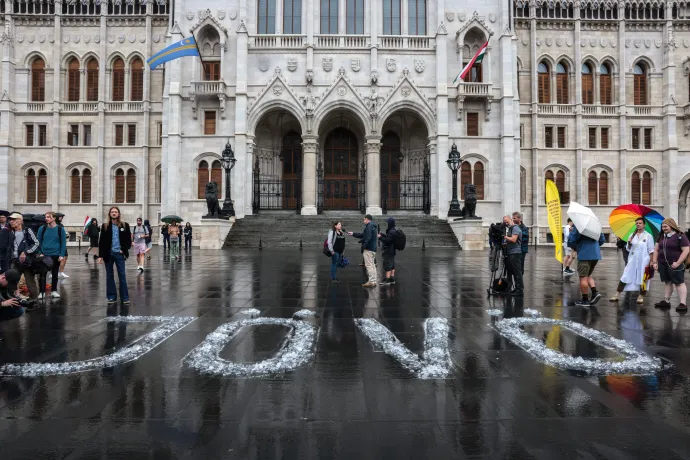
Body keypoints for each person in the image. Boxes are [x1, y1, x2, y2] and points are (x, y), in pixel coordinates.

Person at [609, 218, 655, 304]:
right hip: (632, 260)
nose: (638, 224)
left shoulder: (648, 236)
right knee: (625, 275)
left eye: (640, 223)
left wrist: (651, 261)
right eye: (637, 223)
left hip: (644, 260)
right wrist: (629, 243)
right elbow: (628, 248)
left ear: (644, 225)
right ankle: (617, 294)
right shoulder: (631, 235)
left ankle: (641, 295)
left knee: (644, 278)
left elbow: (651, 250)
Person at [651, 218, 689, 312]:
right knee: (667, 282)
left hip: (675, 264)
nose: (664, 228)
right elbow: (656, 250)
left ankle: (683, 303)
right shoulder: (661, 236)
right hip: (663, 263)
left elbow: (686, 250)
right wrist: (655, 262)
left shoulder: (680, 236)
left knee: (679, 283)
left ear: (672, 226)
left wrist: (678, 263)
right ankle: (666, 301)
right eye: (662, 227)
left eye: (666, 226)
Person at [98, 207, 132, 305]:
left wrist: (124, 250)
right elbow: (102, 242)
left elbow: (128, 241)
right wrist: (100, 256)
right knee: (109, 276)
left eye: (115, 212)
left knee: (122, 275)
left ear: (119, 214)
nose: (114, 213)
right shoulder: (105, 226)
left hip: (119, 254)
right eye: (112, 212)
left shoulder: (125, 225)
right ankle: (111, 297)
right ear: (109, 214)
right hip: (109, 254)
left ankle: (125, 297)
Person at [4, 213, 40, 304]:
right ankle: (12, 299)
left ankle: (34, 301)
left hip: (27, 262)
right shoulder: (9, 232)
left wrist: (26, 252)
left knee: (30, 282)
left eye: (14, 219)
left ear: (20, 221)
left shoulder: (28, 230)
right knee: (11, 279)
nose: (11, 221)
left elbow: (36, 243)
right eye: (10, 219)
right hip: (15, 261)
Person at [568, 225, 606, 306]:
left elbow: (572, 240)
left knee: (583, 277)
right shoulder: (596, 225)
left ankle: (585, 300)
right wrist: (593, 245)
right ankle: (594, 293)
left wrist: (571, 232)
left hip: (584, 254)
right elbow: (602, 239)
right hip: (595, 254)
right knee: (588, 275)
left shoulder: (579, 225)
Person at [37, 212, 67, 300]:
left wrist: (61, 255)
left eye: (49, 217)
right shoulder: (42, 228)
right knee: (42, 274)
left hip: (55, 254)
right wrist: (39, 252)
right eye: (45, 217)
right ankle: (41, 292)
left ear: (54, 218)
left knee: (55, 274)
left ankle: (54, 291)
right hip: (44, 254)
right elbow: (38, 242)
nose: (46, 218)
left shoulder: (60, 229)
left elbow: (63, 243)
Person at [348, 214, 378, 287]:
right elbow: (363, 235)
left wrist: (364, 245)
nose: (363, 220)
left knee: (369, 265)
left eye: (364, 219)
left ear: (367, 219)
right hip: (373, 248)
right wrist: (353, 234)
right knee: (372, 265)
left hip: (369, 248)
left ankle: (371, 281)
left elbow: (367, 237)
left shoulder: (369, 226)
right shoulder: (373, 226)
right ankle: (374, 281)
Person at [0, 269, 25, 338]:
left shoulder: (4, 284)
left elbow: (8, 297)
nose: (9, 286)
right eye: (9, 283)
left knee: (19, 310)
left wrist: (17, 300)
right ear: (3, 278)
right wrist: (2, 304)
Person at [503, 215, 524, 296]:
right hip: (511, 252)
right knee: (513, 272)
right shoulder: (511, 228)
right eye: (504, 222)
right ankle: (516, 288)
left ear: (511, 220)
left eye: (507, 221)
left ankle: (519, 290)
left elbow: (513, 239)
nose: (506, 223)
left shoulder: (515, 228)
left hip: (515, 253)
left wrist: (504, 236)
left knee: (517, 272)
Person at [378, 217, 398, 285]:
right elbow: (389, 238)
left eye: (388, 223)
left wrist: (380, 237)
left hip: (388, 251)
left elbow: (387, 241)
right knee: (392, 264)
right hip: (392, 250)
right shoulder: (393, 230)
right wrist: (383, 234)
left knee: (388, 265)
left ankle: (387, 280)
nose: (387, 224)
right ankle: (392, 278)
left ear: (390, 224)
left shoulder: (391, 231)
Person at [56, 215, 69, 279]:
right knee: (55, 258)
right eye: (60, 216)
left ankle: (61, 272)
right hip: (56, 244)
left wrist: (66, 235)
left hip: (62, 244)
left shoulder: (61, 225)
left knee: (65, 257)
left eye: (62, 217)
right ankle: (53, 273)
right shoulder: (54, 225)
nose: (61, 218)